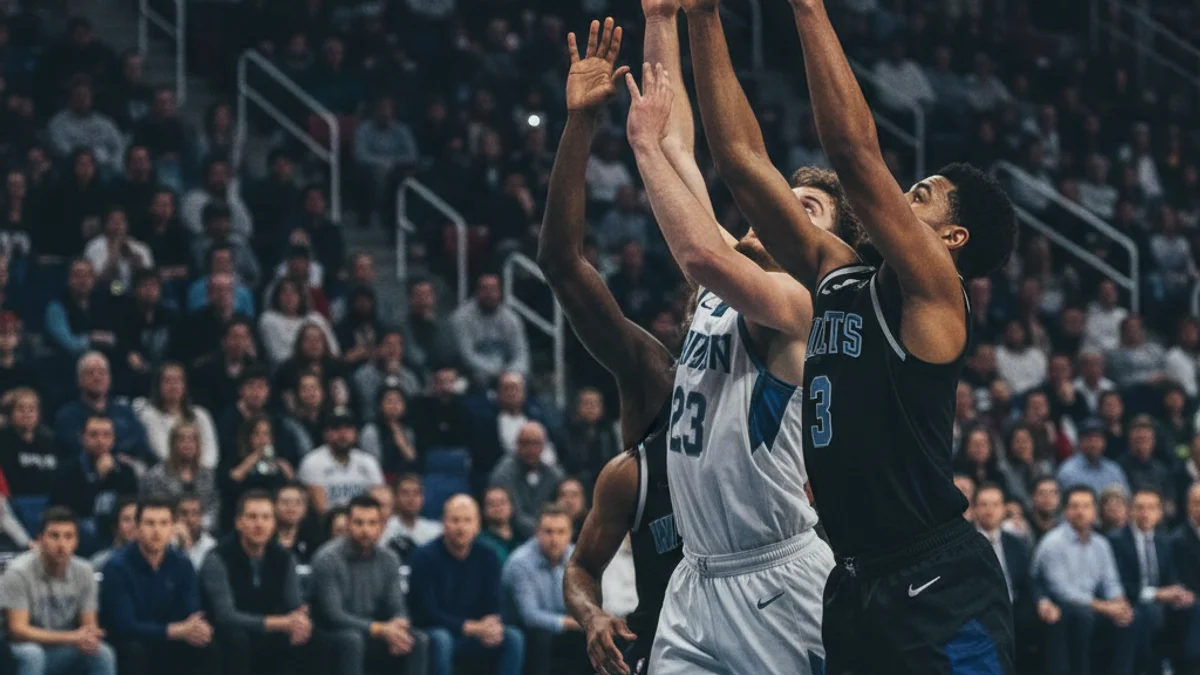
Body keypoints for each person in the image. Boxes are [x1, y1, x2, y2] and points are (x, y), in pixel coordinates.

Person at [671, 0, 1018, 671]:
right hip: (854, 582)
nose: (899, 197)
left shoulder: (936, 293)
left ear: (951, 239)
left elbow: (856, 157)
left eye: (919, 195)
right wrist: (703, 19)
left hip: (936, 580)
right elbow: (742, 162)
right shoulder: (836, 273)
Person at [628, 4, 864, 671]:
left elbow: (698, 254)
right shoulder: (733, 274)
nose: (777, 208)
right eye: (779, 195)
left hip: (778, 578)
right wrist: (662, 19)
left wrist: (642, 148)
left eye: (804, 208)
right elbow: (677, 147)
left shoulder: (797, 302)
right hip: (697, 576)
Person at [309, 495, 427, 675]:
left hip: (375, 633)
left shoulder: (390, 559)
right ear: (348, 524)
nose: (366, 530)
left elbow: (396, 606)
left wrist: (399, 624)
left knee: (417, 639)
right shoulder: (327, 559)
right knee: (353, 639)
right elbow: (333, 615)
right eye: (359, 523)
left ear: (382, 526)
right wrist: (381, 629)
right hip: (331, 634)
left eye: (372, 523)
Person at [100, 497, 218, 675]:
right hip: (133, 641)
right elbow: (125, 625)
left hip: (171, 639)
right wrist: (175, 630)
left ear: (172, 528)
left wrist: (198, 628)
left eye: (164, 523)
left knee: (206, 646)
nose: (157, 530)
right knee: (134, 649)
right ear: (137, 528)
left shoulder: (182, 563)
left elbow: (192, 610)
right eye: (150, 523)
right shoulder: (116, 567)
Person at [199, 490, 313, 675]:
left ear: (274, 523)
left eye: (266, 517)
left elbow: (295, 604)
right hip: (229, 633)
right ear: (239, 522)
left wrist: (302, 622)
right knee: (237, 639)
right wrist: (282, 623)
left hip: (270, 631)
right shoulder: (218, 558)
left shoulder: (284, 557)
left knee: (304, 639)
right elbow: (226, 616)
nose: (259, 524)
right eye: (252, 517)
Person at [409, 495, 523, 675]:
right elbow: (428, 613)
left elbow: (496, 603)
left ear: (477, 525)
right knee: (441, 639)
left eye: (467, 520)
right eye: (455, 520)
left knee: (513, 637)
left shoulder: (488, 556)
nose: (461, 527)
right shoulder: (424, 558)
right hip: (440, 631)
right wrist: (472, 627)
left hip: (477, 633)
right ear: (443, 523)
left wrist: (492, 625)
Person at [0, 507, 116, 675]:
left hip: (63, 649)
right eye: (54, 536)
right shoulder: (18, 572)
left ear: (76, 541)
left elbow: (89, 627)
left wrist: (86, 637)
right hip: (24, 649)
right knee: (32, 654)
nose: (62, 544)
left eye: (68, 536)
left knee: (102, 653)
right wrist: (73, 637)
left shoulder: (85, 571)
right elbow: (18, 631)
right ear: (40, 539)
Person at [1033, 486, 1135, 675]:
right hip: (1061, 606)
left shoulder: (1101, 544)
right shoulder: (1053, 543)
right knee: (1082, 616)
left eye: (1086, 506)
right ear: (1065, 511)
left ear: (1095, 511)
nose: (1080, 512)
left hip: (1094, 604)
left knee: (1127, 619)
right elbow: (1061, 590)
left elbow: (1110, 582)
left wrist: (1121, 603)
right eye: (1074, 506)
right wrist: (1105, 607)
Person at [1108, 489, 1194, 675]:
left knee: (1190, 607)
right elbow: (1120, 584)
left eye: (1151, 508)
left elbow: (1170, 577)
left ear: (1159, 512)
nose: (1145, 513)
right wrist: (1157, 594)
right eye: (1140, 508)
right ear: (1130, 511)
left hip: (1159, 602)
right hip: (1130, 601)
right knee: (1148, 612)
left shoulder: (1164, 540)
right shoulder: (1117, 540)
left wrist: (1179, 593)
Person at [502, 505, 588, 675]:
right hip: (525, 628)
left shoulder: (576, 557)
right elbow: (530, 616)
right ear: (537, 532)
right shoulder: (521, 563)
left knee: (594, 635)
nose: (554, 539)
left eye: (560, 532)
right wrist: (571, 623)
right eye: (548, 532)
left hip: (563, 626)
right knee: (543, 636)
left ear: (570, 534)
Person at [49, 415, 139, 557]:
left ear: (113, 439)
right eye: (93, 435)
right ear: (82, 438)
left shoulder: (125, 471)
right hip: (80, 535)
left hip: (117, 534)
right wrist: (99, 479)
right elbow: (64, 511)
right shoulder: (66, 471)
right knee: (88, 526)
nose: (100, 440)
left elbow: (131, 506)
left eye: (106, 435)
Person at [973, 484, 1037, 671]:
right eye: (983, 505)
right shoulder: (965, 543)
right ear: (975, 508)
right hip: (978, 608)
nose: (989, 510)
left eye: (995, 504)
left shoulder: (1015, 542)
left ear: (1003, 509)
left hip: (1012, 608)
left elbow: (1026, 581)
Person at [297, 410, 384, 514]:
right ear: (326, 433)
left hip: (362, 522)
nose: (343, 434)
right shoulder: (312, 462)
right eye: (336, 428)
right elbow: (321, 510)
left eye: (348, 428)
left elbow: (379, 501)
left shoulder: (368, 461)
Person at [134, 363, 219, 469]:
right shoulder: (149, 415)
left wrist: (199, 471)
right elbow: (162, 452)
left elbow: (211, 451)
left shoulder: (201, 414)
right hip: (167, 472)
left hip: (201, 473)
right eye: (167, 381)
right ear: (158, 386)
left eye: (178, 380)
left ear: (185, 386)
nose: (173, 385)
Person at [488, 422, 564, 538]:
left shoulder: (554, 475)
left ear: (544, 446)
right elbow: (515, 515)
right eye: (526, 443)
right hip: (514, 538)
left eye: (536, 444)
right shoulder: (503, 474)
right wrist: (542, 531)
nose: (531, 449)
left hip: (550, 534)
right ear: (517, 445)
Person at [139, 422, 219, 531]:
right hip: (167, 529)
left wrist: (201, 525)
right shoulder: (157, 476)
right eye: (182, 440)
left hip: (203, 531)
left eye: (192, 440)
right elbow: (156, 508)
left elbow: (213, 507)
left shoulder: (207, 475)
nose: (187, 444)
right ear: (173, 444)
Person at [1057, 419, 1130, 497]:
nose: (1093, 444)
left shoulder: (1114, 470)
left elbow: (1126, 499)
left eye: (1097, 439)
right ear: (1080, 442)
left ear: (1104, 442)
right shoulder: (1068, 472)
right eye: (1089, 439)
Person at [381, 474, 442, 555]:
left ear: (422, 498)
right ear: (396, 498)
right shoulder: (384, 529)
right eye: (405, 493)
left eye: (416, 493)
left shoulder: (436, 531)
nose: (411, 498)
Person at [273, 483, 321, 564]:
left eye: (297, 502)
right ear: (274, 506)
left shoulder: (315, 539)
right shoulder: (266, 539)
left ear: (305, 508)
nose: (291, 507)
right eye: (285, 502)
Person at [90, 498, 138, 570]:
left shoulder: (155, 562)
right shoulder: (101, 562)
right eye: (127, 519)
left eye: (137, 519)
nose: (134, 525)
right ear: (116, 526)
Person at [478, 487, 522, 564]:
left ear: (511, 506)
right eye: (492, 504)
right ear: (484, 510)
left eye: (502, 502)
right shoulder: (480, 543)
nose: (498, 508)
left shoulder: (523, 537)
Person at [174, 496, 216, 570]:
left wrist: (187, 546)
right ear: (176, 517)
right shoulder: (166, 543)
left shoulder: (210, 546)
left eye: (195, 513)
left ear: (201, 516)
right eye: (184, 513)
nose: (190, 519)